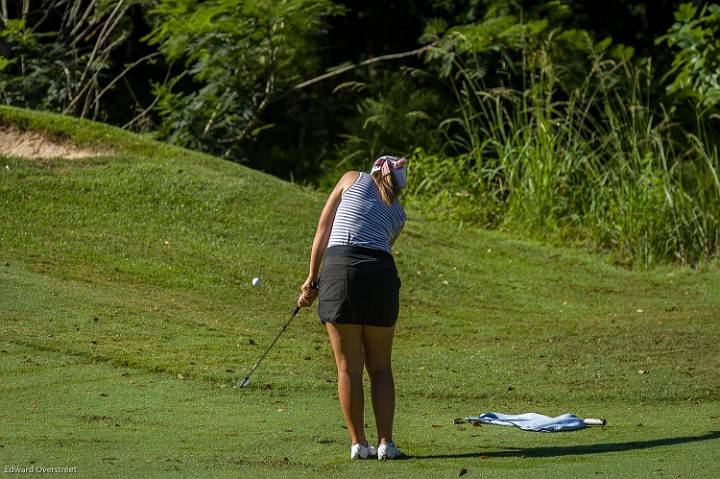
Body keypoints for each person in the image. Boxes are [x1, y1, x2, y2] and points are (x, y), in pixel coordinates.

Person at [297, 155, 407, 460]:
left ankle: (359, 444)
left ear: (372, 171)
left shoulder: (350, 178)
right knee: (381, 367)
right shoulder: (399, 214)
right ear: (399, 187)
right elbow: (376, 250)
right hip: (380, 276)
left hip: (339, 269)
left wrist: (311, 281)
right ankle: (387, 444)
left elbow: (324, 229)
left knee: (348, 366)